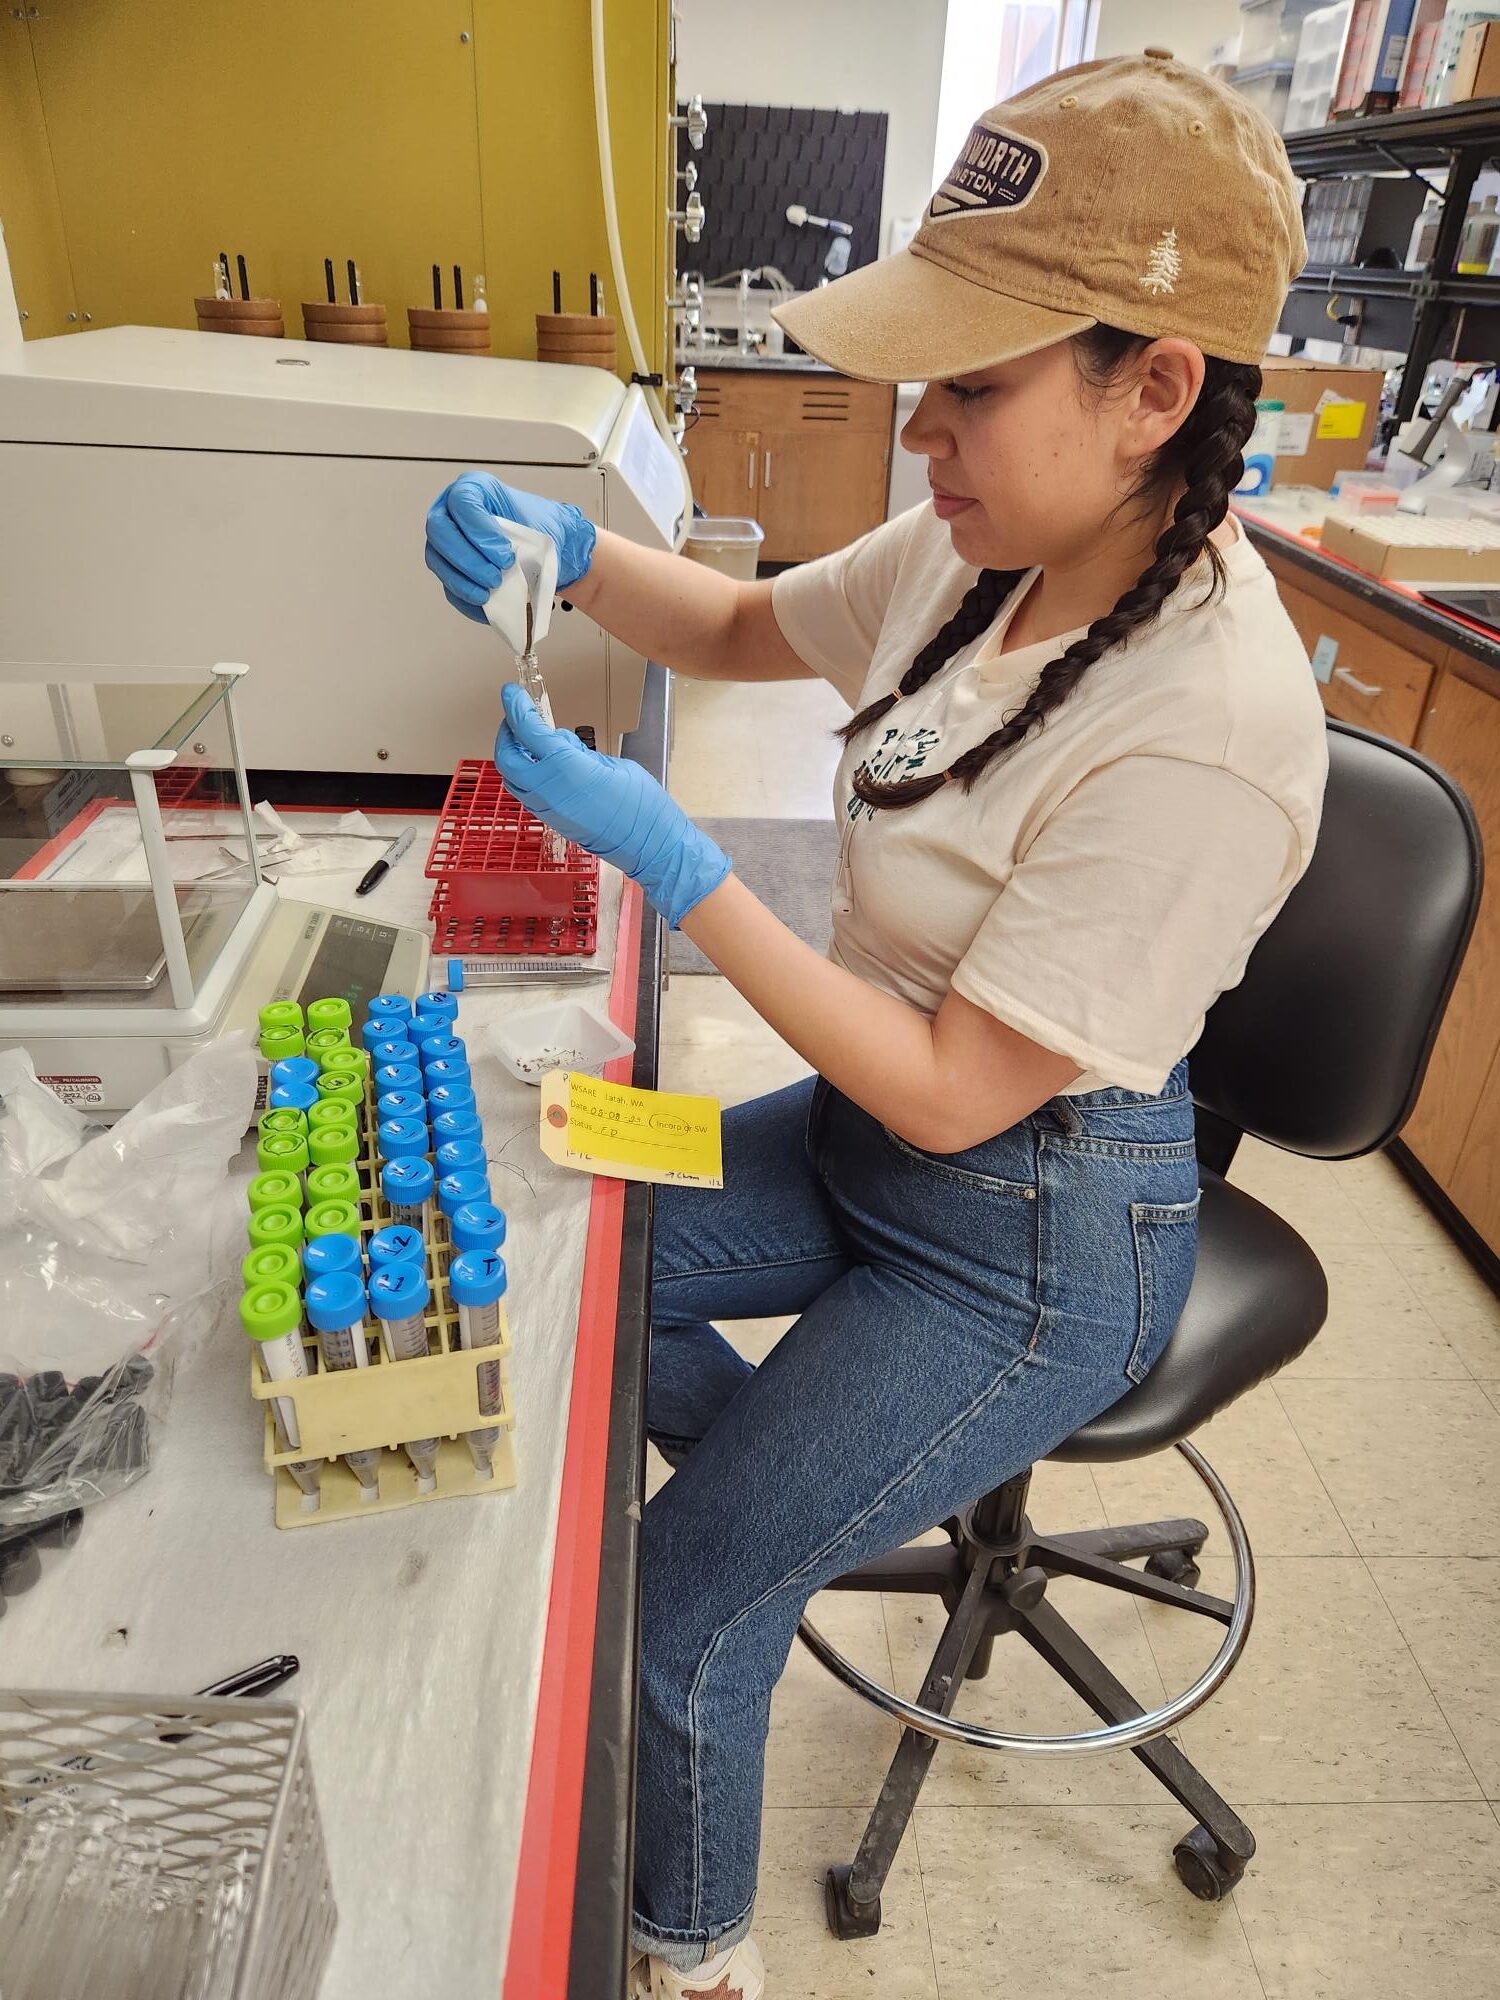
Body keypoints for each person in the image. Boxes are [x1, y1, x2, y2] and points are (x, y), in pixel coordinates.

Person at [424, 50, 1325, 2000]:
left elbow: (948, 1088)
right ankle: (811, 1501)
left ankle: (693, 1962)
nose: (922, 426)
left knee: (677, 1619)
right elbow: (748, 630)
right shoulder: (980, 546)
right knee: (573, 1216)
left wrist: (688, 870)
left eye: (973, 383)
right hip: (868, 1130)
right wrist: (576, 552)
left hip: (1026, 1234)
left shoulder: (1215, 720)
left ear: (1154, 387)